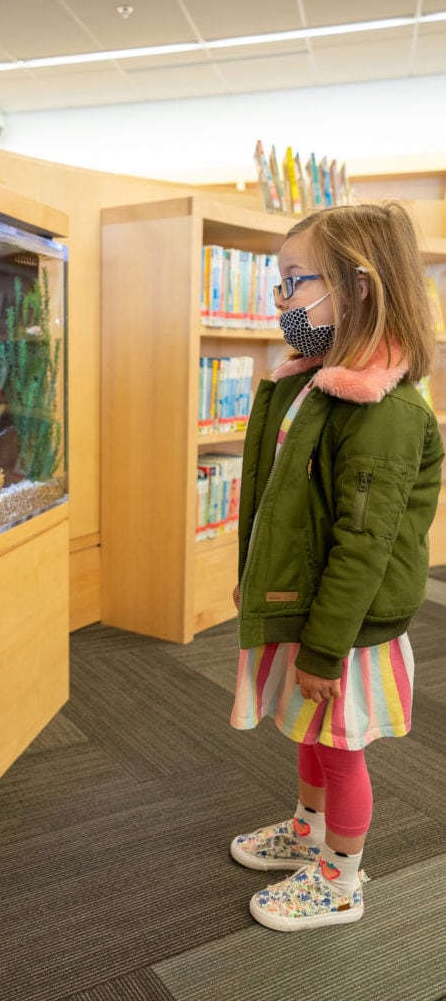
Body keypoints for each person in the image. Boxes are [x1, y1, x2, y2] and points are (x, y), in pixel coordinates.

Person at [229, 202, 444, 931]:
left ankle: (340, 879)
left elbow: (364, 543)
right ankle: (306, 831)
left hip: (345, 630)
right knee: (307, 733)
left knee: (340, 748)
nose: (280, 298)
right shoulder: (312, 383)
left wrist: (322, 646)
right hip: (313, 611)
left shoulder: (382, 409)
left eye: (294, 280)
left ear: (356, 287)